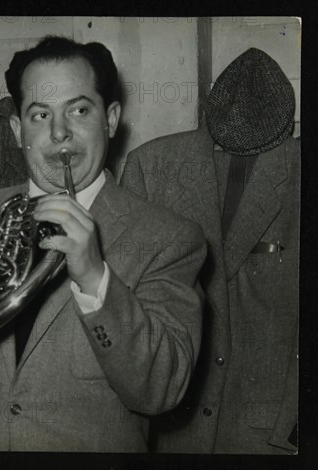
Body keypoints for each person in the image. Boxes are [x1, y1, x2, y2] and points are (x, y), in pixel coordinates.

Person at [0, 36, 207, 452]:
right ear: (19, 130)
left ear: (110, 119)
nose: (59, 133)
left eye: (79, 110)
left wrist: (95, 278)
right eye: (40, 115)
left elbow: (160, 391)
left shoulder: (168, 238)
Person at [121, 48, 298, 454]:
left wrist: (291, 426)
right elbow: (125, 312)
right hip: (166, 430)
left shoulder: (298, 172)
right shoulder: (152, 167)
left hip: (261, 431)